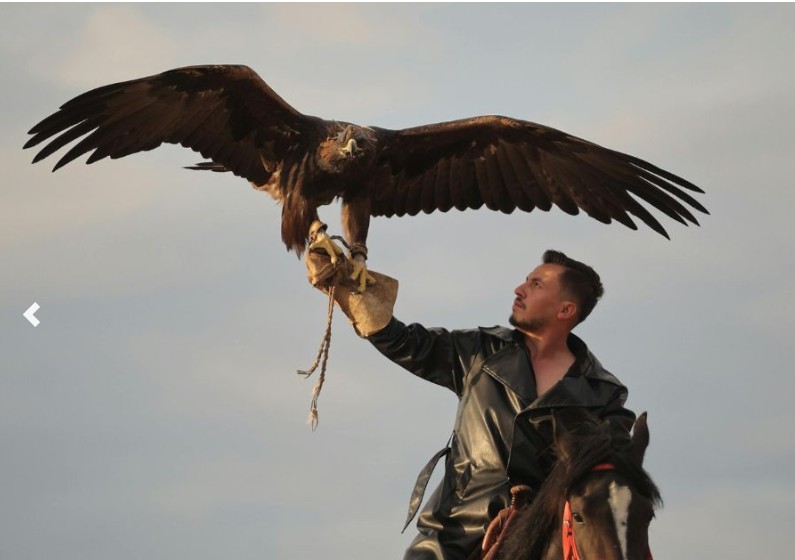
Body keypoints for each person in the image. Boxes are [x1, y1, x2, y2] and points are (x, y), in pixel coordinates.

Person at [306, 249, 636, 560]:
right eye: (526, 280)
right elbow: (405, 342)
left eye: (536, 285)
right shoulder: (479, 351)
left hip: (542, 542)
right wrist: (353, 290)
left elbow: (609, 486)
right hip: (450, 537)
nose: (519, 289)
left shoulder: (601, 394)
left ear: (565, 310)